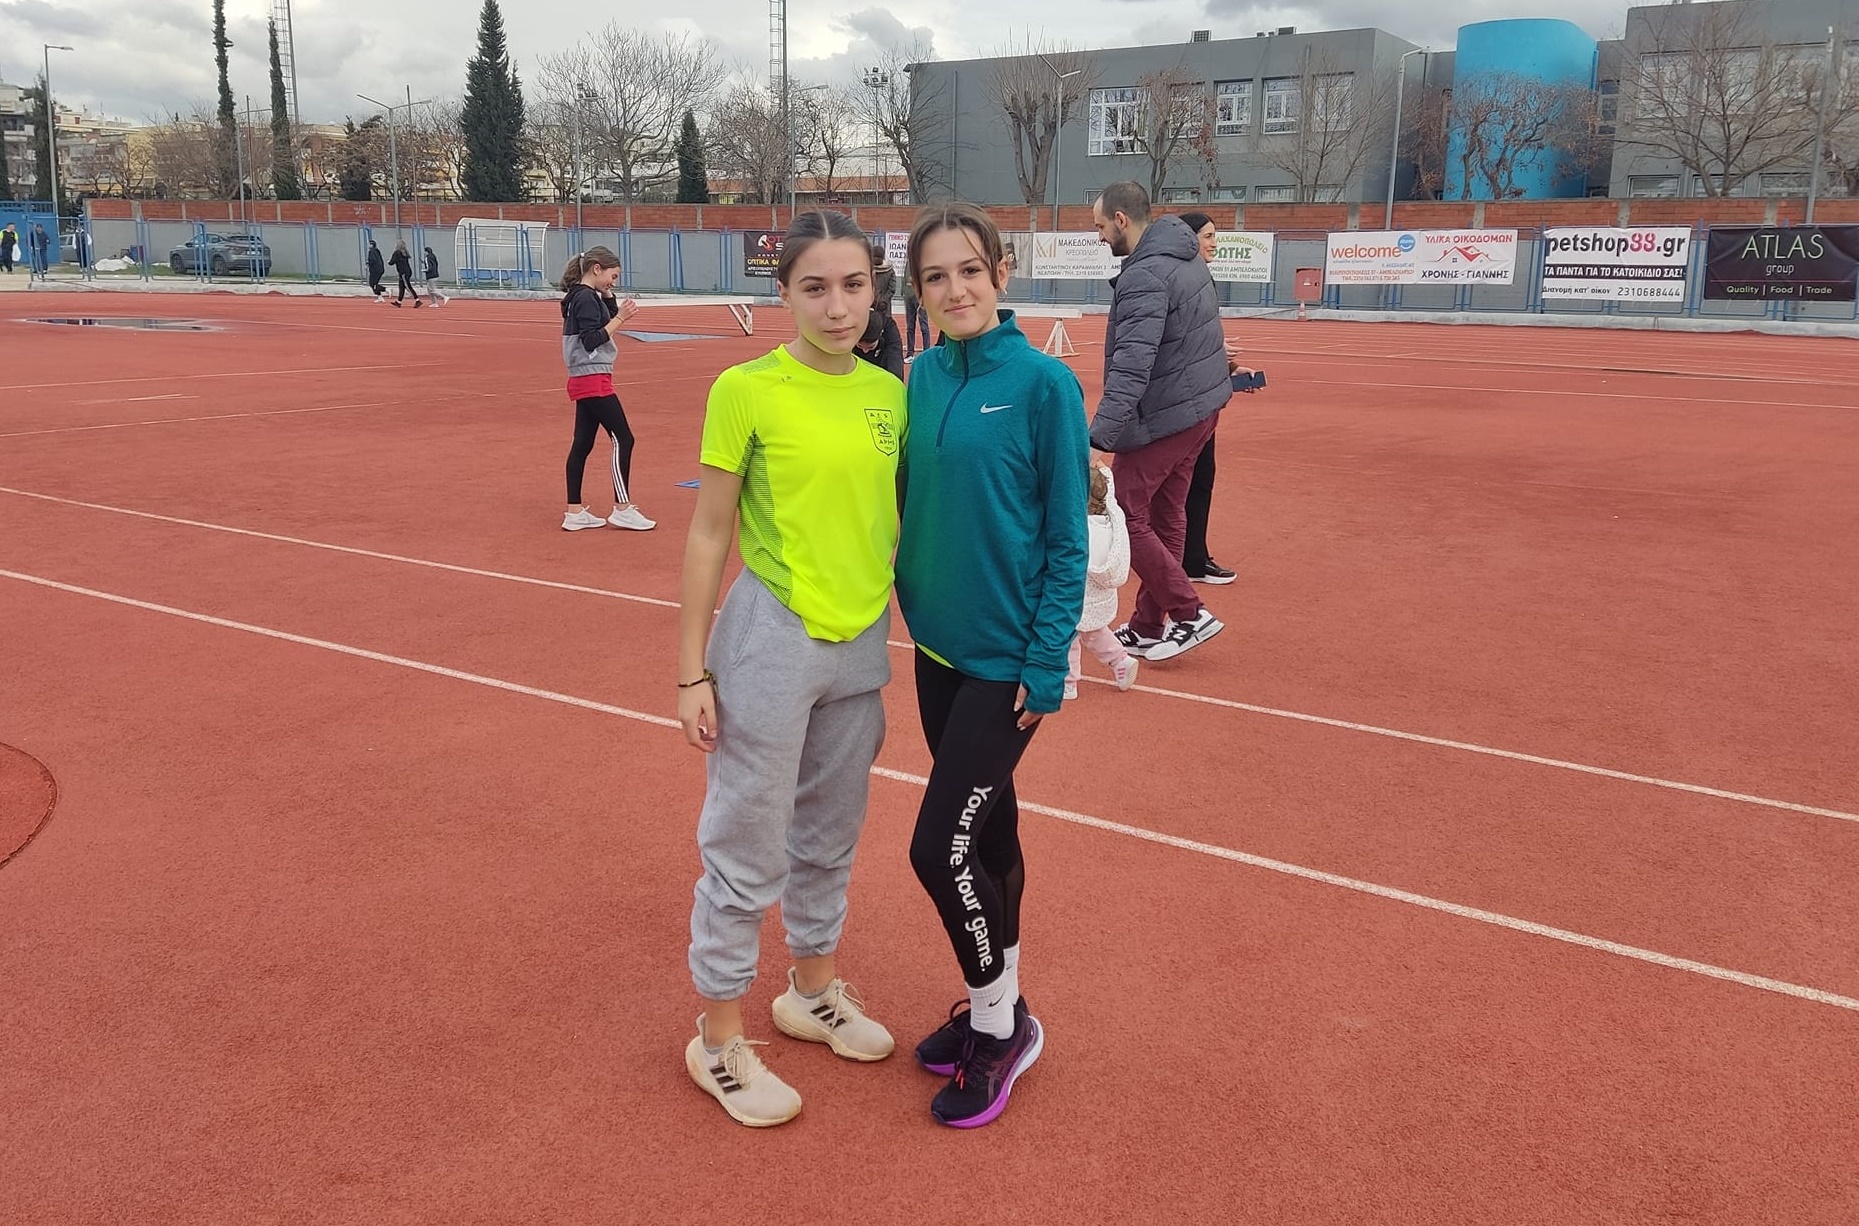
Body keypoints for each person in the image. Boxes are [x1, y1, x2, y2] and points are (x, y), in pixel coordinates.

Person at [676, 209, 906, 1128]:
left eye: (853, 286)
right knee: (746, 840)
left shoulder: (889, 395)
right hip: (770, 637)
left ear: (874, 291)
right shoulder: (745, 389)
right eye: (814, 287)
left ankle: (810, 992)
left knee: (831, 830)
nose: (837, 306)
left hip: (862, 640)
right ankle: (718, 1038)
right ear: (783, 294)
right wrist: (690, 671)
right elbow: (708, 532)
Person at [896, 201, 1088, 1128]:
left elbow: (1065, 537)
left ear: (1001, 274)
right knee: (990, 838)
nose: (954, 289)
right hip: (935, 649)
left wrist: (1044, 664)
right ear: (918, 291)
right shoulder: (918, 378)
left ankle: (999, 1028)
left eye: (969, 270)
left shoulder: (1045, 385)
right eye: (935, 276)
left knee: (937, 850)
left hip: (1006, 665)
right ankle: (999, 1006)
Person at [1089, 182, 1229, 663]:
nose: (1100, 237)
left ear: (1121, 219)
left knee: (1125, 512)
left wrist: (1099, 439)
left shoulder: (1145, 275)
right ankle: (1149, 625)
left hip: (1166, 414)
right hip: (1199, 409)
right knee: (1168, 514)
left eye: (1101, 226)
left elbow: (1132, 366)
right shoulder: (1185, 257)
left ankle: (1190, 613)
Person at [559, 247, 655, 532]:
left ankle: (574, 511)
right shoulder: (585, 298)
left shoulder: (584, 296)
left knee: (583, 443)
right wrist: (621, 317)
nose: (614, 281)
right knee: (624, 439)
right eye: (612, 276)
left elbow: (602, 322)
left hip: (587, 376)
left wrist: (610, 299)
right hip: (592, 377)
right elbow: (592, 339)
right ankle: (622, 508)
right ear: (596, 268)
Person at [1175, 211, 1246, 587]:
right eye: (1208, 235)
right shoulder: (1182, 280)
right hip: (1183, 398)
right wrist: (1216, 353)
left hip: (1200, 393)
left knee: (1198, 476)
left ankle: (1189, 556)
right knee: (1185, 479)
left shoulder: (1200, 279)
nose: (1214, 242)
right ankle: (1186, 559)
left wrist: (1224, 360)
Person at [1067, 461, 1140, 700]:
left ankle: (1067, 681)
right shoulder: (1109, 520)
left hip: (1075, 595)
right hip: (1098, 597)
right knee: (1093, 630)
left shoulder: (1075, 529)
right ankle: (1119, 658)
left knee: (1066, 634)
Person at [854, 241, 905, 379]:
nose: (865, 351)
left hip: (882, 308)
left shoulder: (889, 327)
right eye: (859, 345)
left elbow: (895, 357)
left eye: (870, 346)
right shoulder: (850, 322)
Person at [901, 262, 931, 361]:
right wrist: (904, 292)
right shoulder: (908, 262)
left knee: (924, 325)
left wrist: (924, 296)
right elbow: (905, 277)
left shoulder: (921, 261)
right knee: (910, 326)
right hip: (908, 297)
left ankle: (927, 352)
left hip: (920, 297)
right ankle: (910, 353)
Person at [388, 240, 422, 308]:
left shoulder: (397, 253)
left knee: (408, 286)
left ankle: (417, 300)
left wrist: (388, 262)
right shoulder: (405, 253)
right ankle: (399, 302)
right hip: (407, 271)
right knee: (401, 287)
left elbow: (391, 262)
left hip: (403, 272)